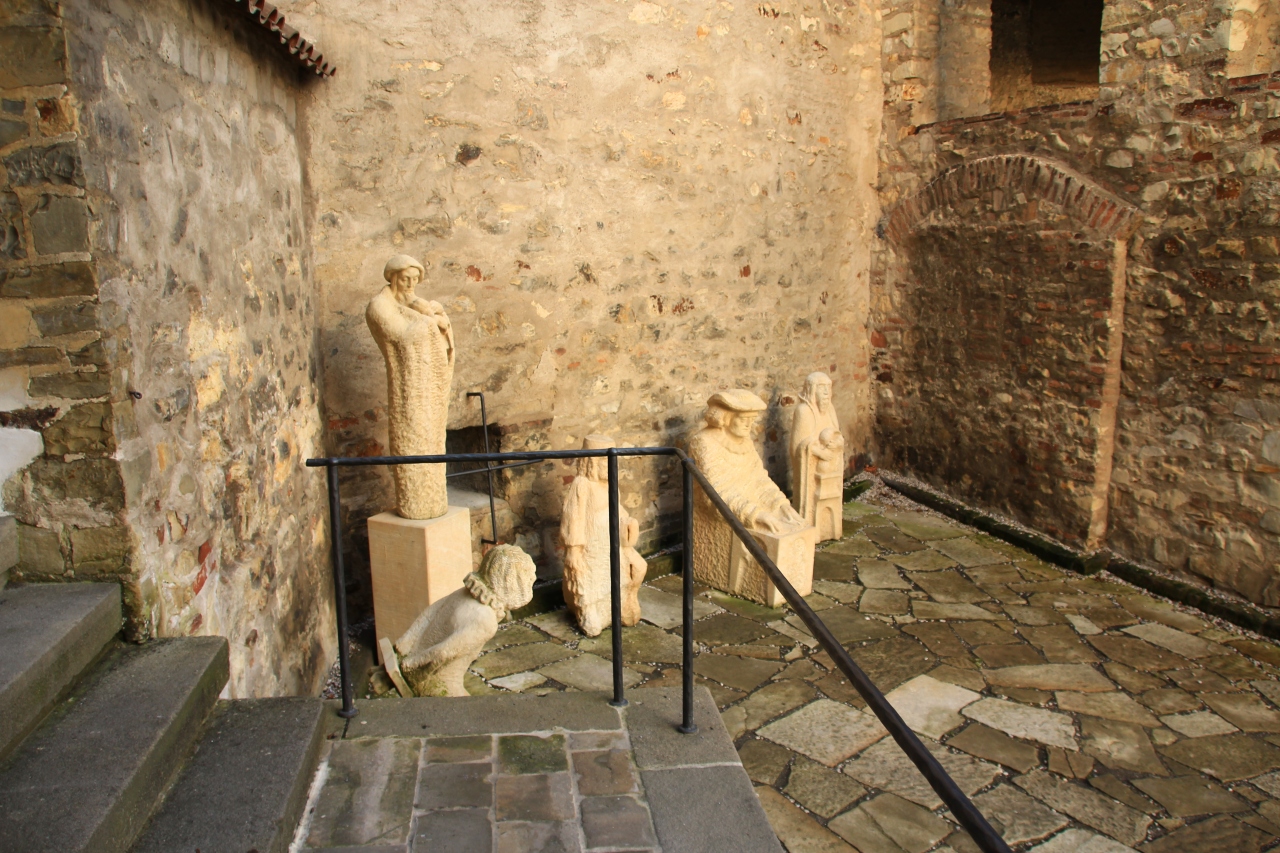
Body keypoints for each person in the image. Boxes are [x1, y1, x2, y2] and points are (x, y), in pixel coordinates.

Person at [688, 390, 809, 601]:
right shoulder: (703, 442)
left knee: (793, 525)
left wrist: (781, 505)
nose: (749, 425)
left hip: (751, 501)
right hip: (722, 509)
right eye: (743, 419)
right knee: (773, 532)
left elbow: (759, 479)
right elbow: (715, 493)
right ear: (725, 418)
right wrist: (757, 515)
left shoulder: (744, 441)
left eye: (752, 419)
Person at [366, 255, 455, 519]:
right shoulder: (379, 306)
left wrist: (436, 314)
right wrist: (429, 318)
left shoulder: (412, 303)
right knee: (413, 437)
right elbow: (403, 337)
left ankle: (434, 502)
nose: (410, 285)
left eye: (415, 280)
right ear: (393, 277)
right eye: (406, 279)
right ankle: (416, 504)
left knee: (432, 438)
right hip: (408, 385)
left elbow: (435, 329)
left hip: (428, 383)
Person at [559, 435, 647, 637]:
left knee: (629, 569)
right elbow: (573, 517)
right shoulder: (582, 485)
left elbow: (618, 510)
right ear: (592, 463)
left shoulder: (610, 485)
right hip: (591, 546)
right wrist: (573, 549)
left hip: (611, 542)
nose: (610, 467)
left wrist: (628, 523)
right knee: (592, 578)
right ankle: (589, 611)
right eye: (605, 462)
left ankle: (621, 605)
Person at [789, 372, 844, 540]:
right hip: (812, 471)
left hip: (830, 467)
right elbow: (798, 444)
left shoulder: (830, 410)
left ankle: (831, 530)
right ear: (812, 390)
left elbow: (838, 434)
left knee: (831, 497)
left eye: (828, 387)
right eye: (821, 388)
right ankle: (813, 531)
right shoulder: (803, 411)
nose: (826, 392)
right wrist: (820, 452)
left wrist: (837, 444)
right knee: (814, 502)